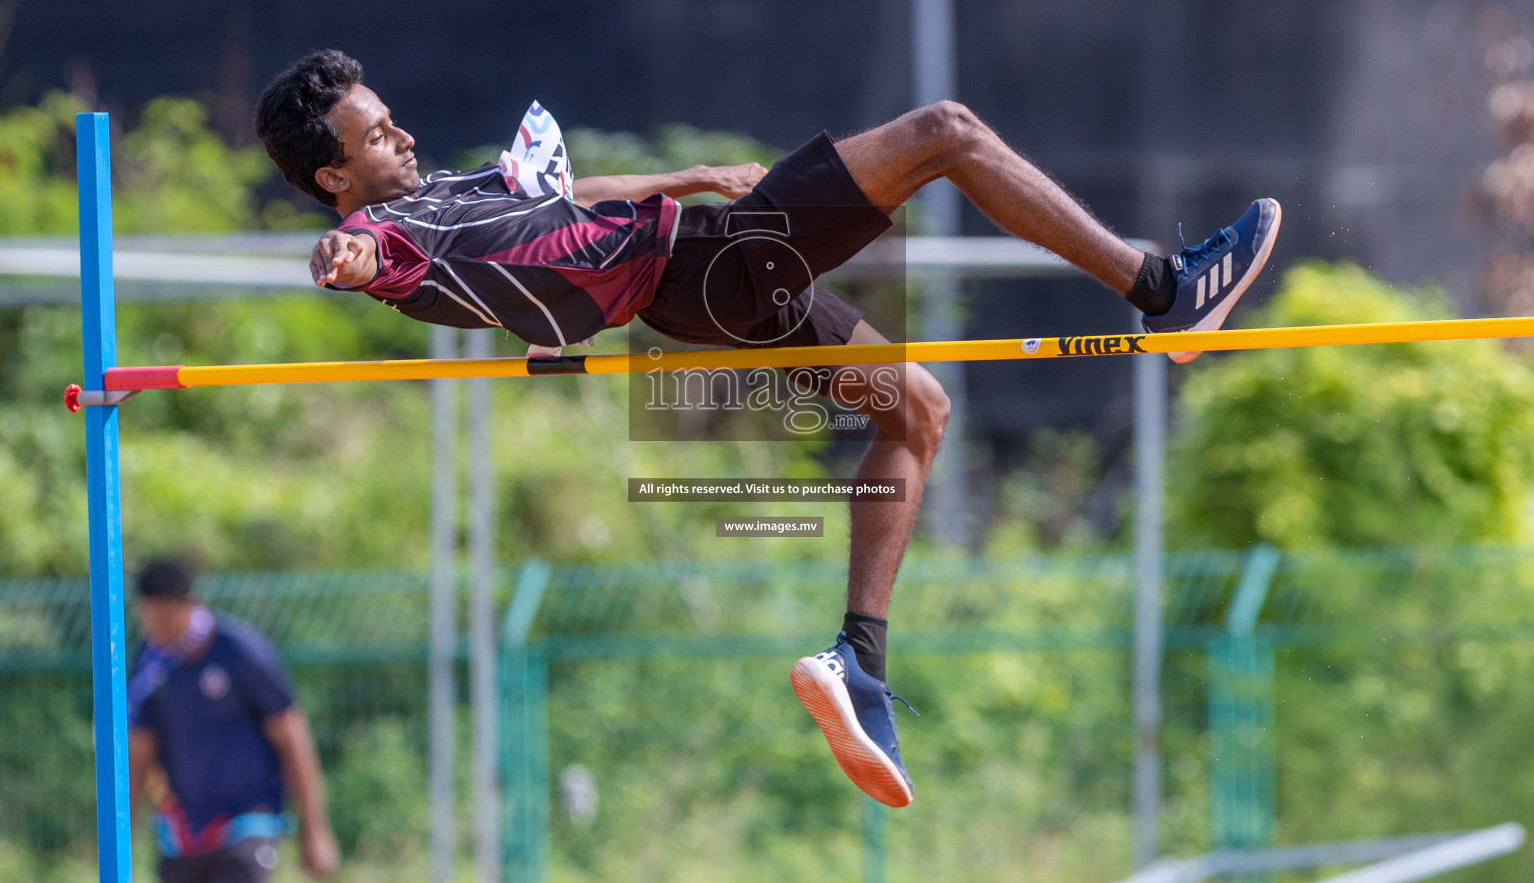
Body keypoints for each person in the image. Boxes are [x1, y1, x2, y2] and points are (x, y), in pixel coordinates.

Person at [255, 49, 1281, 808]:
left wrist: (688, 177)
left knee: (916, 406)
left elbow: (565, 202)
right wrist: (337, 259)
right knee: (945, 132)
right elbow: (356, 255)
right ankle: (1163, 290)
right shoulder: (386, 228)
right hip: (704, 265)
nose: (400, 136)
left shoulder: (440, 195)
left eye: (391, 119)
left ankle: (858, 666)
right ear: (334, 177)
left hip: (694, 271)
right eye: (375, 134)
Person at [127, 557, 340, 881]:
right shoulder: (152, 665)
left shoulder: (239, 652)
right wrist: (122, 836)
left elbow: (292, 736)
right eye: (150, 622)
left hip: (246, 821)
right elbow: (140, 750)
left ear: (188, 605)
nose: (157, 632)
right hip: (183, 830)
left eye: (164, 622)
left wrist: (314, 830)